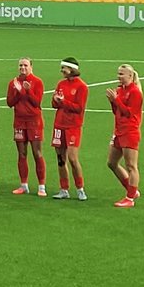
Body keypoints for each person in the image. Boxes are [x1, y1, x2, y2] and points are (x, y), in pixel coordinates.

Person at [6, 57, 46, 196]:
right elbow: (9, 103)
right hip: (19, 121)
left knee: (37, 153)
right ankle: (24, 185)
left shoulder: (37, 82)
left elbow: (37, 103)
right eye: (20, 65)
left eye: (25, 65)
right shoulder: (13, 83)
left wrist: (27, 91)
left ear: (31, 67)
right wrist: (17, 92)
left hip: (34, 122)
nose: (23, 67)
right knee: (22, 154)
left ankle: (41, 186)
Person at [51, 56, 89, 200]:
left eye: (63, 68)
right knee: (60, 159)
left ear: (71, 69)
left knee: (73, 158)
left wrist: (63, 102)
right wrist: (55, 100)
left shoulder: (82, 87)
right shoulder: (61, 84)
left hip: (73, 126)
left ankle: (80, 188)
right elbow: (54, 105)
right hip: (59, 125)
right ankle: (64, 189)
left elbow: (79, 108)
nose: (61, 71)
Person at [106, 64, 143, 208]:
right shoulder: (120, 90)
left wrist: (116, 100)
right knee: (111, 163)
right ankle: (132, 190)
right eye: (118, 73)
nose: (118, 76)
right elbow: (117, 112)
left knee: (131, 166)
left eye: (121, 74)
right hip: (119, 131)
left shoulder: (135, 92)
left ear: (130, 76)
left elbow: (129, 113)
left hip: (130, 131)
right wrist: (112, 102)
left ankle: (130, 198)